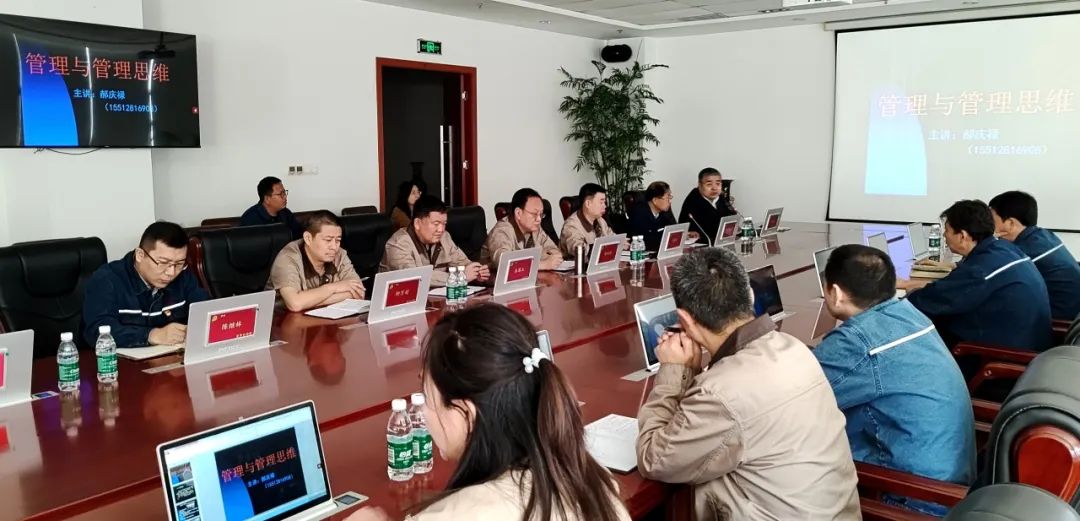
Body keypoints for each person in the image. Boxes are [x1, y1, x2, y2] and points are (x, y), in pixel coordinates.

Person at [345, 304, 630, 521]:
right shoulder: (592, 478)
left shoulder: (457, 515)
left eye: (428, 398)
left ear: (466, 414)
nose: (424, 416)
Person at [635, 247, 860, 520]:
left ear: (684, 320)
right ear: (750, 296)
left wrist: (674, 373)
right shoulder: (793, 347)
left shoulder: (721, 393)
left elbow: (655, 460)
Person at [814, 245, 975, 516]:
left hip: (912, 498)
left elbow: (792, 396)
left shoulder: (858, 342)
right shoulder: (909, 315)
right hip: (952, 483)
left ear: (836, 293)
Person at [900, 200, 1052, 351]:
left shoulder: (979, 271)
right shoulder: (1004, 249)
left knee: (910, 322)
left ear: (962, 236)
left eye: (947, 230)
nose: (945, 235)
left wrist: (903, 297)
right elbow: (949, 290)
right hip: (1023, 341)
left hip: (999, 353)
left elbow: (927, 301)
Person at [82, 221, 209, 348]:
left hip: (171, 356)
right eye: (163, 263)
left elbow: (206, 311)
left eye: (179, 263)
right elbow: (96, 331)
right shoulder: (107, 279)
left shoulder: (183, 275)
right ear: (140, 255)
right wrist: (151, 335)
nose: (171, 272)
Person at [988, 190, 1080, 320]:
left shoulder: (1025, 251)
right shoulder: (1043, 235)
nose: (988, 225)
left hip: (1060, 318)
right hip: (1071, 309)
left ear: (1010, 223)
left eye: (992, 220)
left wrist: (986, 238)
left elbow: (988, 272)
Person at [380, 195, 490, 287]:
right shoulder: (398, 244)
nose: (441, 229)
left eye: (444, 224)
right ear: (417, 223)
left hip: (436, 299)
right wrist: (459, 278)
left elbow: (462, 263)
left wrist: (477, 271)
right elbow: (415, 278)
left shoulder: (444, 237)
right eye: (436, 224)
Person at [266, 210, 365, 312]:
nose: (334, 247)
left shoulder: (339, 254)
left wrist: (309, 302)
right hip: (282, 319)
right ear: (308, 238)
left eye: (338, 240)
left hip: (322, 316)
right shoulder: (288, 258)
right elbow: (295, 304)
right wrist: (334, 288)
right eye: (328, 240)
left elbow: (359, 292)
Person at [480, 188, 563, 271]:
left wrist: (536, 259)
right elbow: (504, 264)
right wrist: (543, 264)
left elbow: (555, 253)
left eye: (541, 214)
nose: (539, 219)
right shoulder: (501, 231)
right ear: (518, 213)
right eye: (534, 214)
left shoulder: (535, 228)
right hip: (492, 278)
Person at [678, 167, 736, 240]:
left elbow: (730, 218)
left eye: (718, 184)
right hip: (700, 243)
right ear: (699, 185)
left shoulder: (720, 198)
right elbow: (710, 228)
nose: (714, 188)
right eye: (709, 184)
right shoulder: (693, 200)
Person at [559, 183, 614, 257]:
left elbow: (612, 237)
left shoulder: (600, 220)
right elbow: (578, 249)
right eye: (601, 202)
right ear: (588, 203)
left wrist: (621, 243)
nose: (604, 206)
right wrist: (605, 247)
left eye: (604, 202)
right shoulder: (571, 226)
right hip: (578, 263)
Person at [627, 181, 677, 251]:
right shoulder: (639, 214)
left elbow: (673, 231)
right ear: (655, 200)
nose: (670, 201)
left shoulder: (664, 212)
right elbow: (645, 241)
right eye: (667, 197)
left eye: (670, 197)